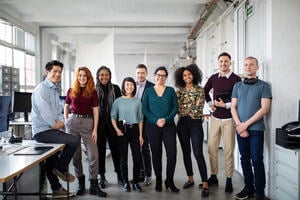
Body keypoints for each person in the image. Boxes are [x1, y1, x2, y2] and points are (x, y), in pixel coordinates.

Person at [31, 60, 80, 198]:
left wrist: (60, 122)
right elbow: (46, 114)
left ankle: (56, 189)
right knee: (74, 141)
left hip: (52, 130)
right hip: (43, 132)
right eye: (55, 72)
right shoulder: (41, 89)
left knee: (50, 162)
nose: (57, 74)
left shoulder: (54, 89)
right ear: (47, 72)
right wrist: (56, 124)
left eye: (59, 72)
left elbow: (59, 111)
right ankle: (61, 168)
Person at [231, 56, 272, 200]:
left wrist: (245, 125)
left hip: (256, 129)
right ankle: (248, 188)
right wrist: (239, 125)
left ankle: (259, 191)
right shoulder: (237, 86)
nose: (248, 67)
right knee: (244, 159)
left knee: (257, 160)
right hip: (240, 128)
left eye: (251, 65)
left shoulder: (264, 86)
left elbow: (265, 109)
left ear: (257, 67)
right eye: (246, 65)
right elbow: (233, 108)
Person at [64, 67, 107, 197]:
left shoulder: (92, 92)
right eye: (80, 75)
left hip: (88, 124)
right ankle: (81, 184)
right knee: (76, 156)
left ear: (88, 78)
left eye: (85, 76)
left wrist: (95, 129)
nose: (82, 78)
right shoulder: (71, 90)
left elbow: (95, 111)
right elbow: (66, 106)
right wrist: (66, 121)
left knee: (93, 155)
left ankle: (94, 185)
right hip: (73, 124)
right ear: (77, 77)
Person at [204, 52, 241, 193]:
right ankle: (213, 176)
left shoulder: (236, 79)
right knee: (212, 148)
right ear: (218, 63)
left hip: (230, 119)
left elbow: (240, 98)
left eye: (226, 61)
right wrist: (210, 104)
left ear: (230, 63)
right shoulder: (214, 78)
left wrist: (225, 105)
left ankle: (229, 179)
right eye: (221, 62)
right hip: (215, 118)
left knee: (228, 150)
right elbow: (205, 91)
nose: (223, 64)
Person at [142, 66, 179, 193]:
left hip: (168, 126)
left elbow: (175, 107)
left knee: (172, 153)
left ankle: (169, 180)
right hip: (152, 127)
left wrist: (166, 119)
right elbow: (144, 109)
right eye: (158, 75)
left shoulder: (170, 91)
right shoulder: (148, 91)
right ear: (154, 76)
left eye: (163, 75)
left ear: (166, 78)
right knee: (156, 154)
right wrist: (156, 120)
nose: (160, 77)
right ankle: (158, 179)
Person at [174, 64, 209, 197]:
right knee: (186, 152)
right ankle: (190, 179)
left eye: (189, 74)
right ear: (181, 78)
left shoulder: (200, 90)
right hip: (182, 124)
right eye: (184, 75)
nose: (187, 77)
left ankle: (205, 184)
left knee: (198, 153)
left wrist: (185, 107)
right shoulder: (179, 91)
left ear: (194, 75)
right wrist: (188, 107)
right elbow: (178, 108)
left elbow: (198, 108)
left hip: (195, 124)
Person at [111, 77, 144, 192]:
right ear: (123, 86)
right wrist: (117, 130)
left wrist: (140, 135)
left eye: (131, 85)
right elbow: (113, 117)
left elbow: (140, 119)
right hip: (122, 131)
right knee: (123, 159)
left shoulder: (137, 101)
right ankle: (126, 182)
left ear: (134, 87)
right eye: (127, 85)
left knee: (137, 157)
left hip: (134, 130)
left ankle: (135, 182)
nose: (129, 87)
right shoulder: (118, 101)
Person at [95, 66, 122, 188]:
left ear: (110, 76)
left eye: (106, 74)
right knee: (100, 152)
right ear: (98, 76)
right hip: (99, 125)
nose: (104, 77)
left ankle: (120, 176)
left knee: (116, 151)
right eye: (101, 75)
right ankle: (102, 176)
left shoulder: (115, 88)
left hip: (113, 124)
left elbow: (120, 107)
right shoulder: (93, 90)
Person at [135, 64, 154, 186]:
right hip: (133, 123)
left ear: (146, 73)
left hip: (146, 122)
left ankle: (148, 175)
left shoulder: (152, 87)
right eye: (138, 73)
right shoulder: (130, 85)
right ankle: (139, 174)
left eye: (142, 73)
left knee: (145, 149)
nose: (140, 75)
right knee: (136, 150)